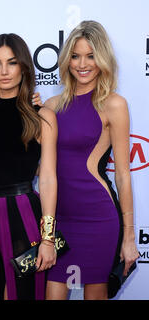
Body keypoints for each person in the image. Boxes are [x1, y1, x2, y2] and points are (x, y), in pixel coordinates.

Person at [45, 20, 139, 300]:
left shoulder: (114, 104)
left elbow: (122, 174)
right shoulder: (51, 107)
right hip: (58, 218)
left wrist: (129, 237)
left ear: (102, 59)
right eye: (75, 56)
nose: (82, 64)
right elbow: (41, 166)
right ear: (66, 60)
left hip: (97, 219)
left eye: (90, 56)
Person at [0, 33, 58, 300]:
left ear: (23, 67)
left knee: (25, 294)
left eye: (12, 62)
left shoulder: (41, 116)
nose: (4, 71)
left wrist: (47, 239)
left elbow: (48, 180)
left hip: (24, 212)